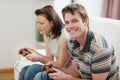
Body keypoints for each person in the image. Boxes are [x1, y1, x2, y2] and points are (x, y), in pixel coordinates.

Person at [48, 3, 120, 80]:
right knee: (39, 72)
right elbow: (77, 73)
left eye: (74, 21)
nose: (70, 26)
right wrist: (57, 68)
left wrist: (65, 77)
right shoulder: (72, 42)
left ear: (86, 21)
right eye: (67, 22)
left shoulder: (100, 50)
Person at [18, 5, 71, 80]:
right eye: (37, 23)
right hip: (55, 67)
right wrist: (34, 53)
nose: (38, 26)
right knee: (25, 70)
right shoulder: (47, 34)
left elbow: (61, 65)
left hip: (65, 71)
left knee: (32, 71)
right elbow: (49, 58)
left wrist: (39, 58)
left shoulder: (64, 36)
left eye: (41, 23)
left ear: (52, 23)